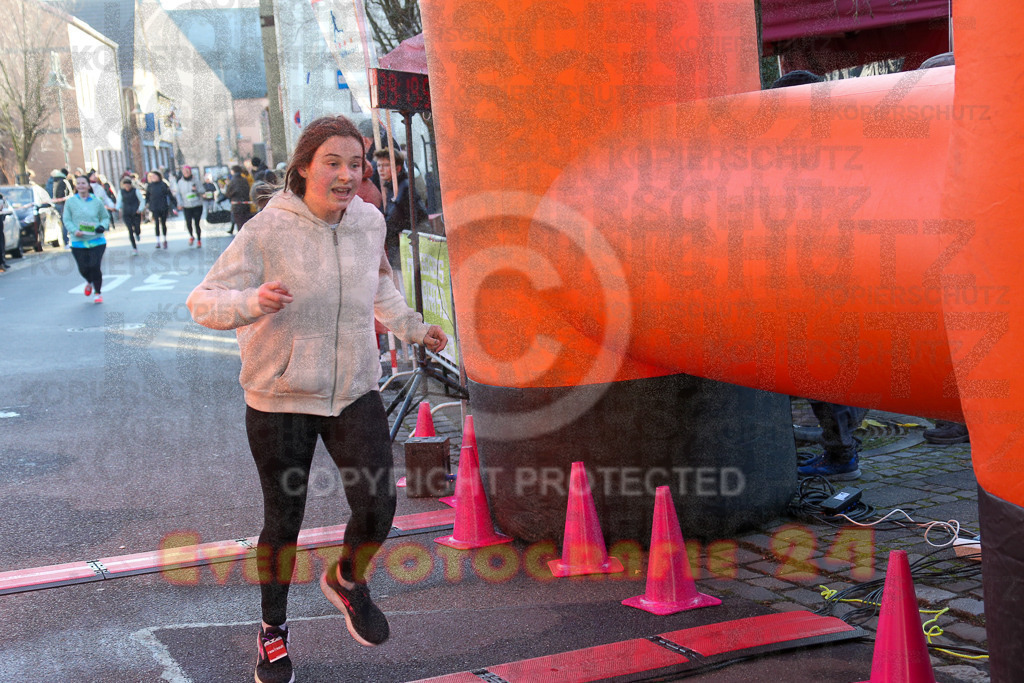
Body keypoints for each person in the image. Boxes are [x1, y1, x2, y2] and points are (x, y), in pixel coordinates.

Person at [187, 115, 448, 683]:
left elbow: (378, 284)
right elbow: (203, 300)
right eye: (333, 162)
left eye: (356, 164)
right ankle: (273, 632)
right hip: (280, 396)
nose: (348, 175)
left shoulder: (369, 222)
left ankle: (347, 579)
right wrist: (252, 301)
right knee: (284, 521)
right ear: (304, 167)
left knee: (379, 505)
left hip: (354, 386)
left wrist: (409, 326)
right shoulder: (267, 230)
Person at [375, 148, 427, 269]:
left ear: (397, 168)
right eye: (379, 165)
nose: (381, 169)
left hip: (407, 250)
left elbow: (416, 216)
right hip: (396, 248)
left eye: (386, 165)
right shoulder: (390, 188)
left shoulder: (404, 187)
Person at [63, 175, 110, 303]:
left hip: (97, 240)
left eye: (83, 183)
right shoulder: (71, 202)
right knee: (83, 268)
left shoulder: (97, 201)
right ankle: (89, 281)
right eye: (78, 183)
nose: (81, 185)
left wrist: (102, 226)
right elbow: (66, 219)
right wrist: (74, 230)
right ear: (75, 186)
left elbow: (105, 217)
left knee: (95, 266)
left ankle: (97, 293)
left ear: (89, 185)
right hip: (78, 241)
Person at [145, 170, 175, 249]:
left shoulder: (163, 184)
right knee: (156, 224)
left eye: (155, 176)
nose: (153, 178)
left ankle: (165, 239)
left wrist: (174, 203)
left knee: (163, 223)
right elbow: (147, 196)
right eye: (152, 176)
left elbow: (169, 195)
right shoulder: (150, 186)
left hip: (163, 206)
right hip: (154, 207)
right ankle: (158, 241)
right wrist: (146, 204)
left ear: (159, 176)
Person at [176, 165, 204, 247]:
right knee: (188, 223)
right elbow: (178, 194)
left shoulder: (196, 181)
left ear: (190, 172)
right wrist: (179, 204)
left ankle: (199, 240)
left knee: (197, 223)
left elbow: (202, 191)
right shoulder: (180, 182)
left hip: (197, 205)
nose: (186, 173)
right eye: (184, 172)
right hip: (186, 205)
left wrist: (197, 190)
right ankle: (191, 236)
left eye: (187, 171)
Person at [116, 176, 145, 254]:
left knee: (137, 228)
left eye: (128, 185)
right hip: (126, 213)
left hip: (135, 212)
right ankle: (134, 248)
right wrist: (117, 208)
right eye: (125, 185)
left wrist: (140, 209)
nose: (127, 187)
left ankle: (138, 233)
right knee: (130, 230)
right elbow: (119, 201)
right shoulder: (121, 192)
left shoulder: (135, 191)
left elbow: (142, 200)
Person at [224, 165, 253, 233]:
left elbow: (228, 194)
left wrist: (228, 185)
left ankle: (242, 239)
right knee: (245, 223)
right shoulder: (244, 180)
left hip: (236, 205)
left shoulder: (232, 181)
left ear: (233, 171)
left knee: (239, 224)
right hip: (246, 205)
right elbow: (248, 190)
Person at [50, 168, 73, 247]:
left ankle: (64, 241)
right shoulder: (63, 181)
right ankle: (66, 242)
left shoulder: (54, 181)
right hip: (63, 205)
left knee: (61, 224)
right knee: (66, 223)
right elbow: (64, 194)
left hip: (57, 204)